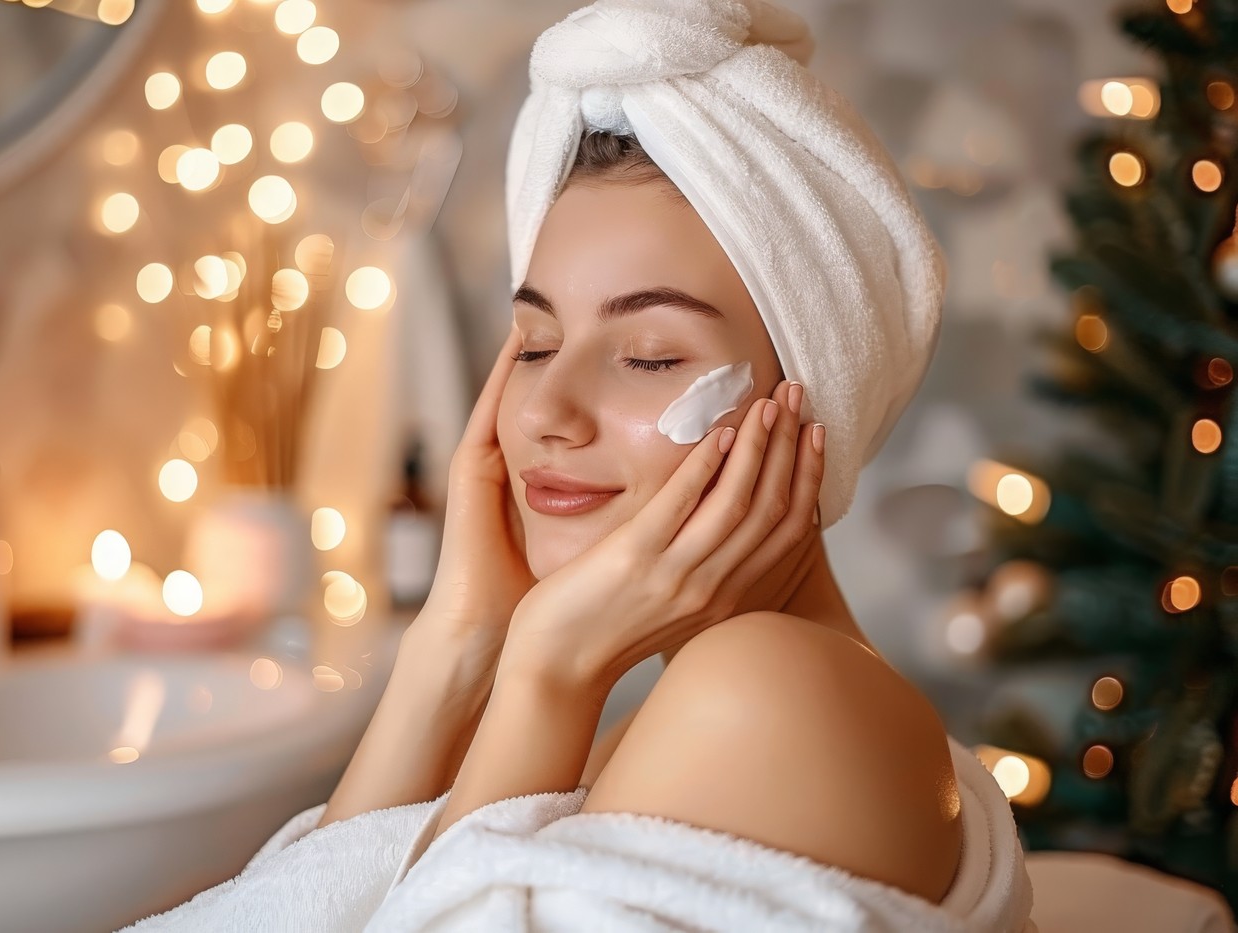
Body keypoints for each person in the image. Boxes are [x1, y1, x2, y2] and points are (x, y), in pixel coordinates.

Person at [126, 2, 1035, 930]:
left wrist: (547, 672)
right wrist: (457, 644)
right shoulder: (679, 714)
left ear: (809, 404)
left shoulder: (770, 693)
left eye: (649, 356)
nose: (547, 414)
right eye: (534, 343)